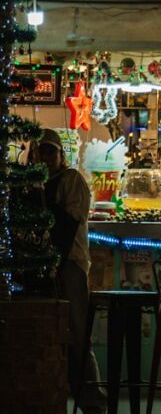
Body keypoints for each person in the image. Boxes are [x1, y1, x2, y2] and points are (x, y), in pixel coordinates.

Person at [32, 128, 106, 413]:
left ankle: (92, 401)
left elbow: (72, 220)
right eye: (41, 151)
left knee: (77, 333)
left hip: (71, 263)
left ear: (60, 154)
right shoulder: (39, 184)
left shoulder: (71, 179)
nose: (45, 156)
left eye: (50, 151)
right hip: (49, 267)